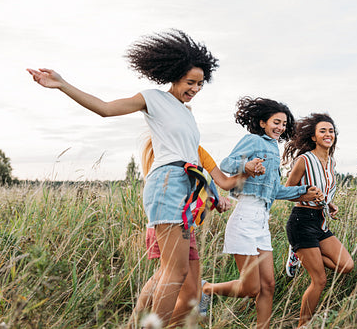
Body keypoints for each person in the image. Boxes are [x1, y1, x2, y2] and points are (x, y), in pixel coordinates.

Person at [27, 29, 222, 327]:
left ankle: (136, 323)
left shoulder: (186, 113)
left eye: (199, 84)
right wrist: (62, 84)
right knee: (175, 272)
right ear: (174, 75)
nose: (195, 88)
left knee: (177, 274)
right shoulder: (153, 99)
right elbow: (105, 109)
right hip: (168, 185)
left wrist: (213, 196)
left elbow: (192, 159)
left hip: (186, 189)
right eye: (189, 82)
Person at [200, 97, 323, 329]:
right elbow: (226, 163)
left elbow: (275, 190)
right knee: (251, 288)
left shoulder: (274, 149)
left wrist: (304, 192)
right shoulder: (253, 140)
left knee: (268, 286)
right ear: (263, 122)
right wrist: (246, 166)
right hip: (244, 218)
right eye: (276, 122)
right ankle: (205, 289)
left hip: (261, 224)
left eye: (284, 124)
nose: (280, 128)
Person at [135, 140, 263, 327]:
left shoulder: (197, 151)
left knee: (187, 291)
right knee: (172, 279)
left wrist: (219, 197)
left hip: (188, 226)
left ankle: (149, 324)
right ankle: (138, 323)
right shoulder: (166, 150)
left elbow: (214, 183)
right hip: (166, 222)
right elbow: (173, 189)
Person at [282, 113, 354, 328]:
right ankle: (303, 325)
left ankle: (299, 253)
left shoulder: (331, 161)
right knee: (320, 280)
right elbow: (286, 191)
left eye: (331, 130)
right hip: (301, 222)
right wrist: (307, 195)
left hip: (320, 223)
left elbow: (325, 191)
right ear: (313, 137)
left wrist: (329, 203)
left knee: (347, 266)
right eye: (322, 130)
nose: (328, 134)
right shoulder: (304, 160)